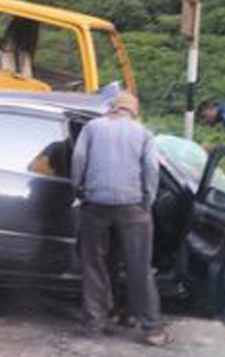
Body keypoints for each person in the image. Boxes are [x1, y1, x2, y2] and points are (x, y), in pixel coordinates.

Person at [71, 91, 171, 346]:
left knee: (95, 266)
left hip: (95, 206)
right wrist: (146, 201)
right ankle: (152, 329)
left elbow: (79, 158)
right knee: (139, 268)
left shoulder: (92, 127)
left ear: (112, 109)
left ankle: (94, 325)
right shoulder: (144, 133)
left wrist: (78, 188)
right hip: (132, 208)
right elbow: (151, 169)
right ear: (134, 112)